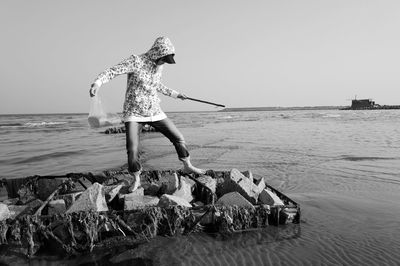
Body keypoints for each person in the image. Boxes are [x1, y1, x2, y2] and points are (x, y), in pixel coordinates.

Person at [89, 36, 205, 191]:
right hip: (134, 112)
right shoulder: (136, 61)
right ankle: (136, 179)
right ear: (156, 54)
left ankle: (187, 166)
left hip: (154, 111)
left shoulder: (159, 67)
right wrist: (97, 83)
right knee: (133, 149)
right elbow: (113, 71)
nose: (164, 63)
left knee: (178, 137)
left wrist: (176, 94)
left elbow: (158, 86)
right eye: (163, 59)